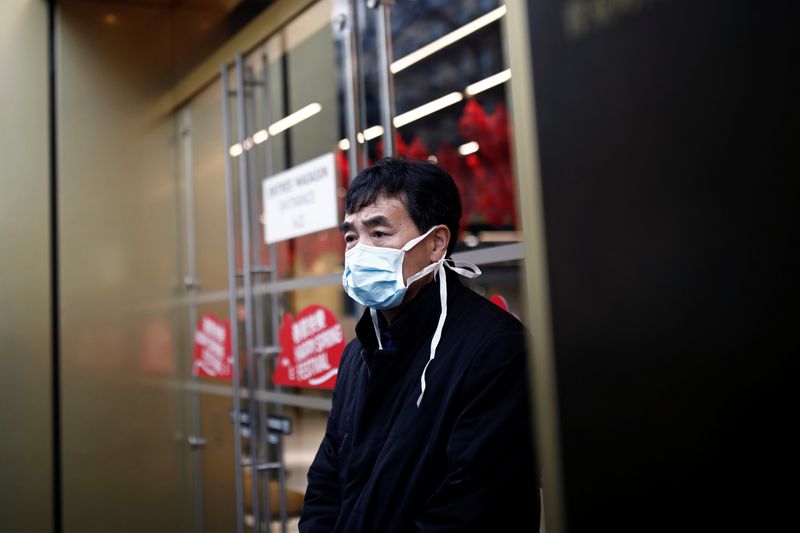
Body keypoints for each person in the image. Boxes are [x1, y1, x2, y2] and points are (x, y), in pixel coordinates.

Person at [299, 157, 540, 532]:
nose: (360, 252)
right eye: (351, 237)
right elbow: (327, 482)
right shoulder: (359, 353)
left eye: (379, 235)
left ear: (436, 244)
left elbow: (471, 508)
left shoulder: (495, 350)